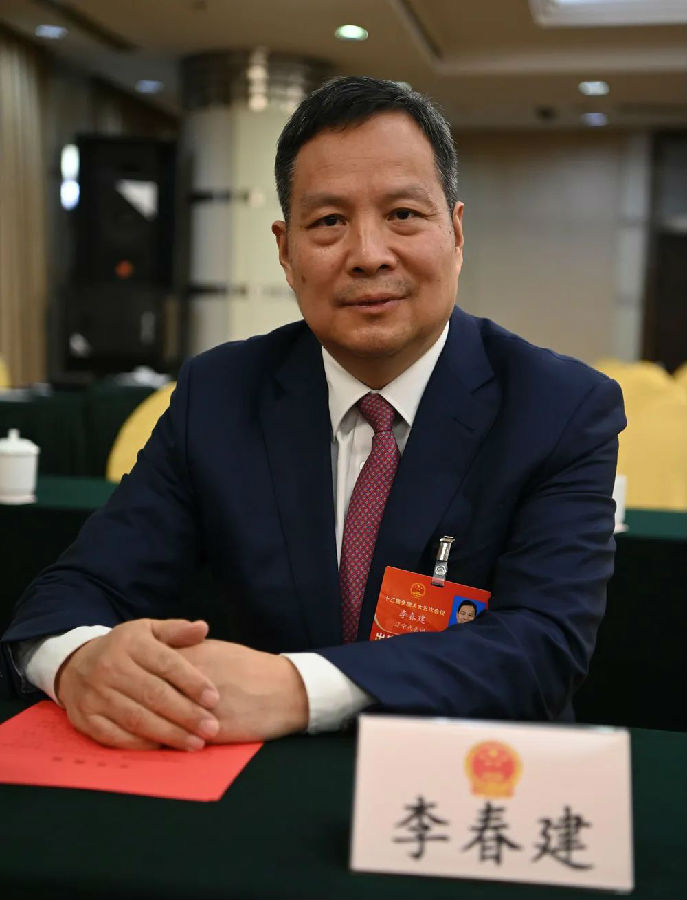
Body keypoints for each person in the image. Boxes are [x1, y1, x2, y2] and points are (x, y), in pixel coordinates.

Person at [0, 76, 625, 752]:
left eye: (403, 214)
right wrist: (78, 660)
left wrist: (297, 688)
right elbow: (78, 588)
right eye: (328, 222)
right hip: (262, 782)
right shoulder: (220, 394)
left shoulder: (559, 406)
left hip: (464, 775)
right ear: (285, 250)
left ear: (455, 232)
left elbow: (543, 648)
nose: (368, 255)